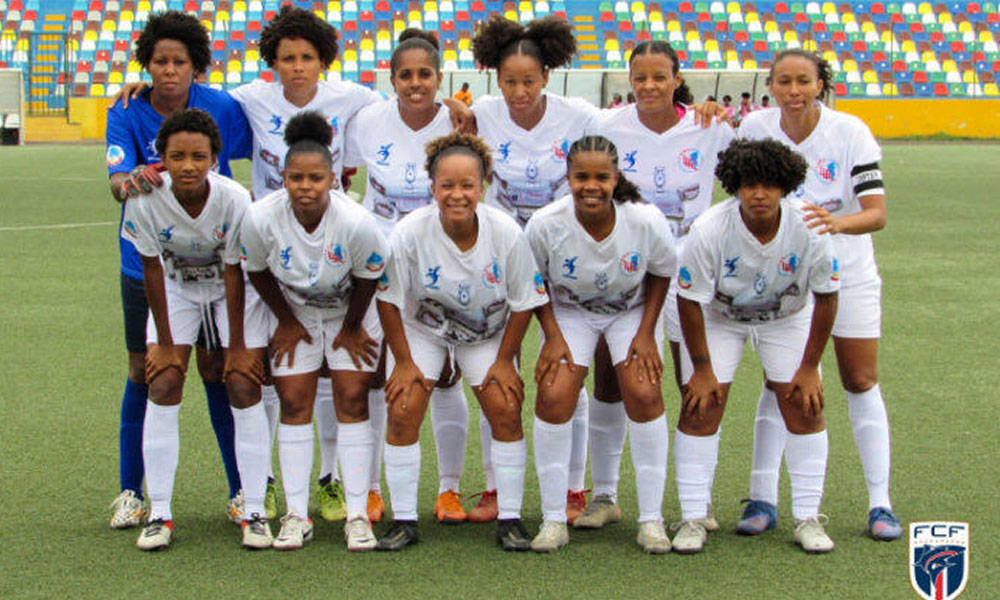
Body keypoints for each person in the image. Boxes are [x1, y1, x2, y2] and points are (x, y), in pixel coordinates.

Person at [737, 49, 901, 541]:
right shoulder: (754, 128)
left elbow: (876, 213)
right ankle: (762, 497)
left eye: (803, 81)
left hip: (848, 272)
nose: (793, 90)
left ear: (819, 85)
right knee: (779, 384)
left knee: (860, 378)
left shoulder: (850, 131)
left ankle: (880, 502)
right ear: (770, 86)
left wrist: (835, 223)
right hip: (784, 278)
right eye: (783, 81)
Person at [579, 40, 735, 530]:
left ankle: (698, 498)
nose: (649, 86)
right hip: (628, 270)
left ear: (676, 78)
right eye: (640, 77)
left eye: (659, 77)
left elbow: (745, 173)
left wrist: (718, 109)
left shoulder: (710, 126)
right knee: (611, 379)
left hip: (692, 270)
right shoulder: (606, 127)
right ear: (629, 79)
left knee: (694, 380)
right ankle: (604, 494)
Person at [106, 9, 251, 530]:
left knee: (219, 373)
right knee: (146, 371)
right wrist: (136, 181)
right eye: (160, 61)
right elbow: (118, 181)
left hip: (217, 269)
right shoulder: (124, 109)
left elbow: (267, 149)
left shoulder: (222, 107)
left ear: (197, 67)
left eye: (180, 62)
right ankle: (131, 492)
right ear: (147, 65)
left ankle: (243, 490)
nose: (169, 70)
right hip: (146, 263)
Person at [375, 132, 548, 551]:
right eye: (447, 185)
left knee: (505, 408)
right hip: (424, 331)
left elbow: (526, 300)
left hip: (484, 335)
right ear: (431, 187)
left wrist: (506, 361)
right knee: (403, 408)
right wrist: (403, 361)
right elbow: (388, 298)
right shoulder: (409, 232)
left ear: (483, 186)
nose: (457, 194)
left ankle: (509, 519)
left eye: (467, 185)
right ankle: (403, 521)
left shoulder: (505, 232)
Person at [674, 137, 840, 554]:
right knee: (700, 406)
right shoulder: (710, 228)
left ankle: (807, 517)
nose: (759, 194)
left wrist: (808, 368)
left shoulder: (810, 228)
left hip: (787, 318)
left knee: (805, 405)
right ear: (734, 186)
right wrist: (702, 369)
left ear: (786, 185)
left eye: (768, 184)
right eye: (749, 184)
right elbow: (689, 301)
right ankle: (693, 517)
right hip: (720, 317)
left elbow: (827, 296)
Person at [466, 14, 597, 523]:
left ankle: (572, 488)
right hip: (497, 263)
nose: (519, 91)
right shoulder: (479, 113)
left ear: (548, 75)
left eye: (529, 80)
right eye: (509, 81)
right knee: (496, 374)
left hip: (563, 262)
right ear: (496, 78)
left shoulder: (580, 115)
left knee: (564, 373)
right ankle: (497, 488)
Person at [240, 111, 390, 551]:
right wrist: (284, 322)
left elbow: (368, 278)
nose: (305, 187)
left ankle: (358, 515)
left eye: (316, 178)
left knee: (351, 394)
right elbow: (257, 270)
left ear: (333, 180)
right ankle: (295, 514)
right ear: (282, 178)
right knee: (293, 398)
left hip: (354, 310)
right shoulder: (261, 218)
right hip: (297, 311)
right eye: (295, 178)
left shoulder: (357, 222)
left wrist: (351, 329)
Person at [343, 28, 472, 524]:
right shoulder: (368, 120)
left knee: (445, 375)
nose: (415, 83)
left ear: (440, 78)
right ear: (392, 78)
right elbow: (346, 173)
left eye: (425, 74)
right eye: (405, 75)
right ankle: (371, 489)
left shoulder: (460, 122)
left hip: (441, 260)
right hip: (379, 263)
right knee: (377, 374)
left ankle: (449, 490)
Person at [525, 135, 676, 553]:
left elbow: (662, 272)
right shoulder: (546, 223)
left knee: (644, 393)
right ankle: (554, 519)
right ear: (568, 177)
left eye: (601, 177)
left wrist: (647, 332)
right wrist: (551, 336)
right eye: (581, 177)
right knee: (554, 396)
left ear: (616, 178)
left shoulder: (644, 219)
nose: (591, 186)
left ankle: (651, 520)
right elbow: (533, 282)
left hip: (631, 311)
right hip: (570, 314)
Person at [120, 108, 253, 550]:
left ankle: (248, 503)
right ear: (162, 158)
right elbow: (151, 269)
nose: (189, 165)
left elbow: (235, 272)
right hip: (175, 291)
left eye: (199, 156)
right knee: (164, 381)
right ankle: (160, 513)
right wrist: (163, 339)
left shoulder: (234, 198)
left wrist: (236, 343)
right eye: (177, 156)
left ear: (215, 157)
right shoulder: (144, 198)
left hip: (223, 291)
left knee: (239, 381)